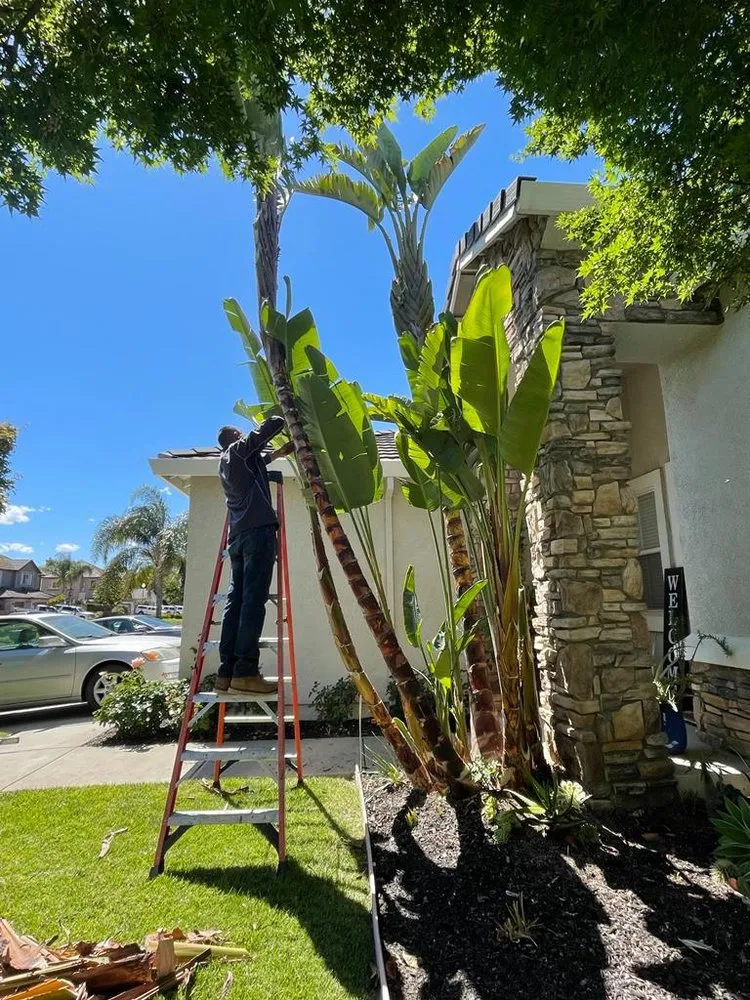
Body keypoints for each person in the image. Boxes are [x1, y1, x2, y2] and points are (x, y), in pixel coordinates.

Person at [215, 416, 285, 695]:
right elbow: (272, 425)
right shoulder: (238, 450)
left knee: (236, 602)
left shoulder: (227, 463)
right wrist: (283, 411)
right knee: (253, 602)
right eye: (240, 433)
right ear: (235, 438)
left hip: (239, 537)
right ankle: (245, 670)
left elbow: (258, 462)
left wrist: (278, 454)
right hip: (258, 534)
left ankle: (226, 672)